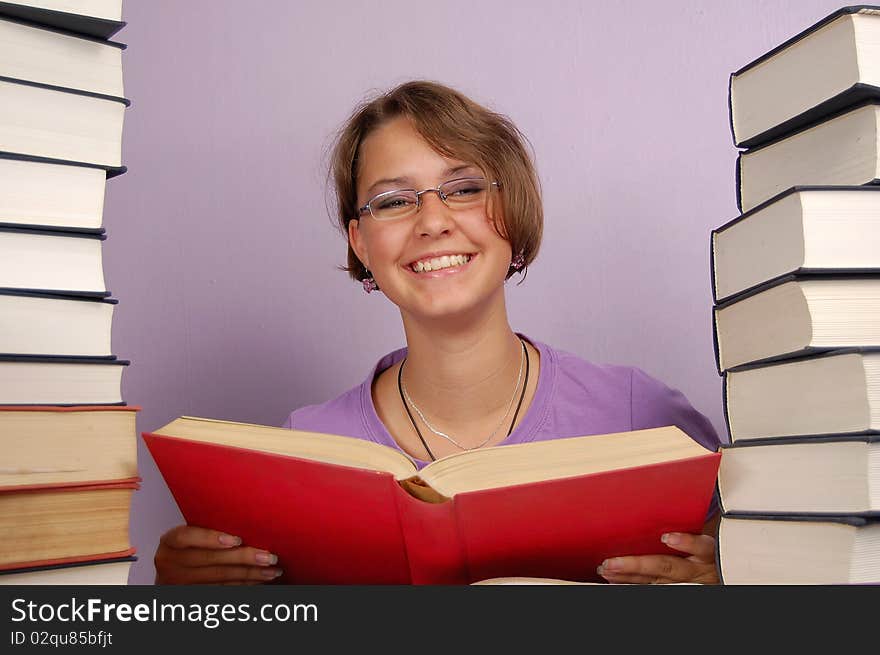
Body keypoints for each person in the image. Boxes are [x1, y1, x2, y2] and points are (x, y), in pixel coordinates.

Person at [154, 80, 723, 585]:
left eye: (465, 188)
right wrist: (184, 609)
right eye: (394, 201)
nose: (431, 221)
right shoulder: (299, 449)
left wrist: (728, 583)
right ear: (360, 244)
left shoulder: (642, 415)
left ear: (514, 211)